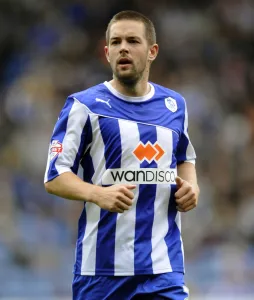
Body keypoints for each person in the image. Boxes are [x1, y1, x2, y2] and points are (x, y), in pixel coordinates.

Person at [44, 10, 199, 300]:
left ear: (152, 51)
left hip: (163, 268)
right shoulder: (84, 106)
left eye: (132, 41)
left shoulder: (174, 105)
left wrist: (192, 187)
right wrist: (97, 194)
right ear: (107, 52)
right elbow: (54, 177)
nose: (123, 48)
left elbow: (185, 157)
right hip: (101, 272)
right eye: (115, 42)